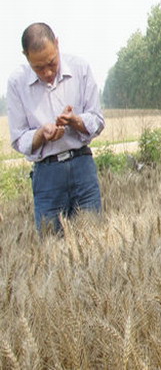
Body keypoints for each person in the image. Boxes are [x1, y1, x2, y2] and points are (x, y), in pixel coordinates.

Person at [6, 23, 104, 234]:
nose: (47, 72)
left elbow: (97, 120)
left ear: (57, 44)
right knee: (51, 245)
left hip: (82, 167)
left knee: (95, 240)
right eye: (38, 68)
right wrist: (41, 134)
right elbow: (18, 139)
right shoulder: (16, 83)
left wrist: (75, 121)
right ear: (25, 56)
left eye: (52, 62)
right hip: (47, 175)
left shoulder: (80, 69)